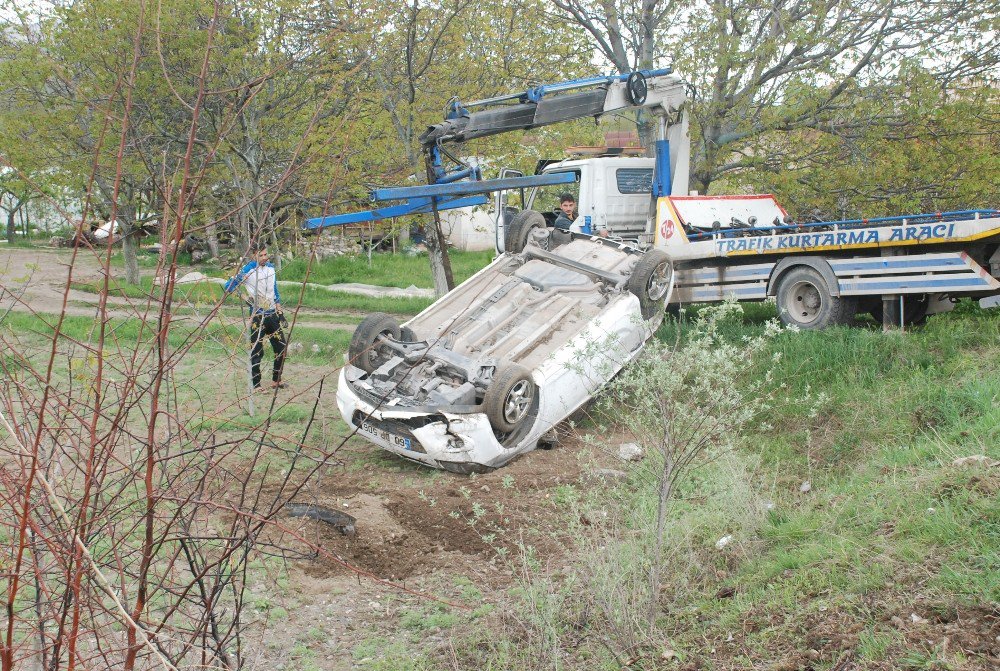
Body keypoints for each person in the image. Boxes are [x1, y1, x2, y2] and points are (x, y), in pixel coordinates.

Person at [224, 246, 287, 390]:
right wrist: (246, 298)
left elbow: (275, 291)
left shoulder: (271, 268)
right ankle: (256, 384)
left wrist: (280, 313)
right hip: (257, 316)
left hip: (272, 314)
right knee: (257, 351)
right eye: (261, 255)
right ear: (254, 256)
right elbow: (228, 286)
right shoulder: (248, 270)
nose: (265, 257)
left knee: (281, 347)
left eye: (266, 254)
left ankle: (276, 380)